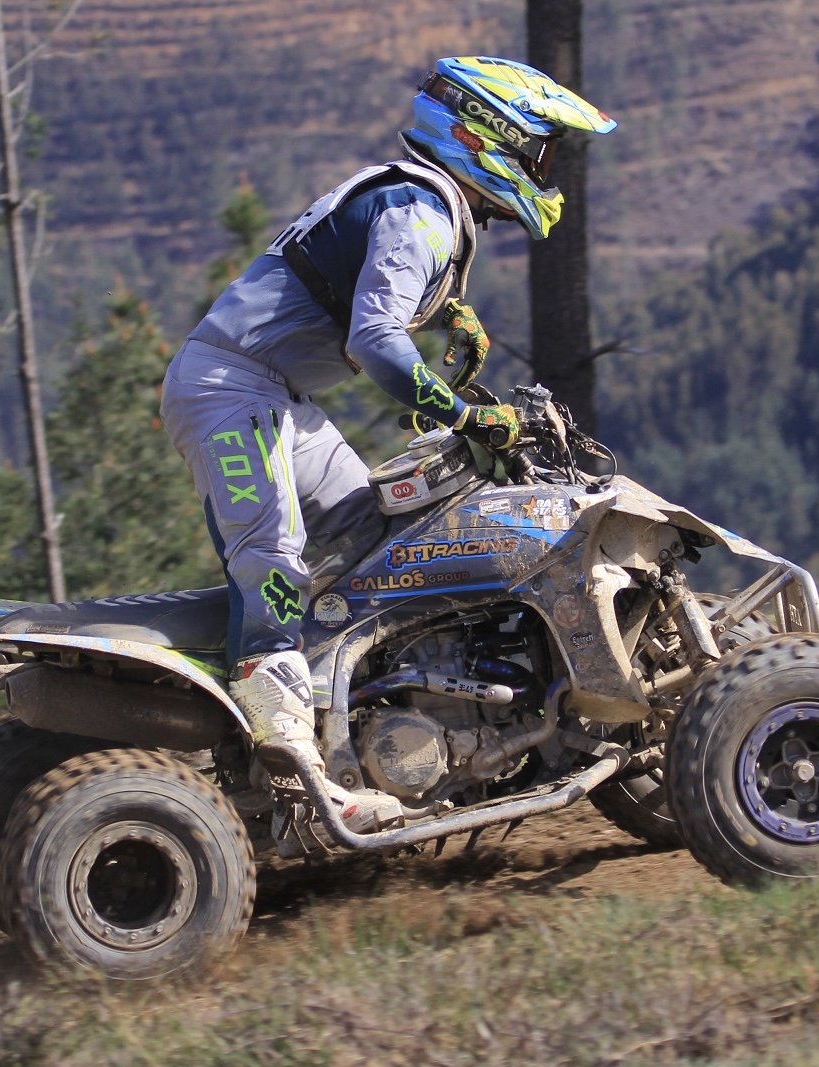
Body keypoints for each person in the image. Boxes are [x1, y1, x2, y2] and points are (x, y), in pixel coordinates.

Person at [160, 56, 616, 828]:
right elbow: (374, 338)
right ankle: (289, 772)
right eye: (539, 152)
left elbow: (346, 282)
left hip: (271, 390)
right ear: (486, 138)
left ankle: (363, 724)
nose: (546, 171)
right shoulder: (422, 211)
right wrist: (469, 416)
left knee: (372, 540)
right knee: (273, 557)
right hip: (231, 388)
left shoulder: (416, 196)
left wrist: (445, 312)